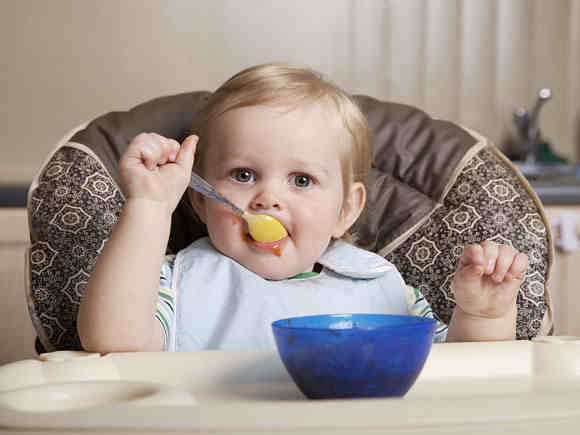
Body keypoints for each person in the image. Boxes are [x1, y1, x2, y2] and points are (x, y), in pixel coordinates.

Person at [77, 63, 529, 353]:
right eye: (243, 174)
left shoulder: (384, 290)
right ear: (197, 199)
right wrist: (151, 206)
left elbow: (463, 380)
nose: (269, 198)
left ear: (346, 210)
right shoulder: (176, 283)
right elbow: (113, 341)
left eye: (301, 180)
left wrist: (484, 316)